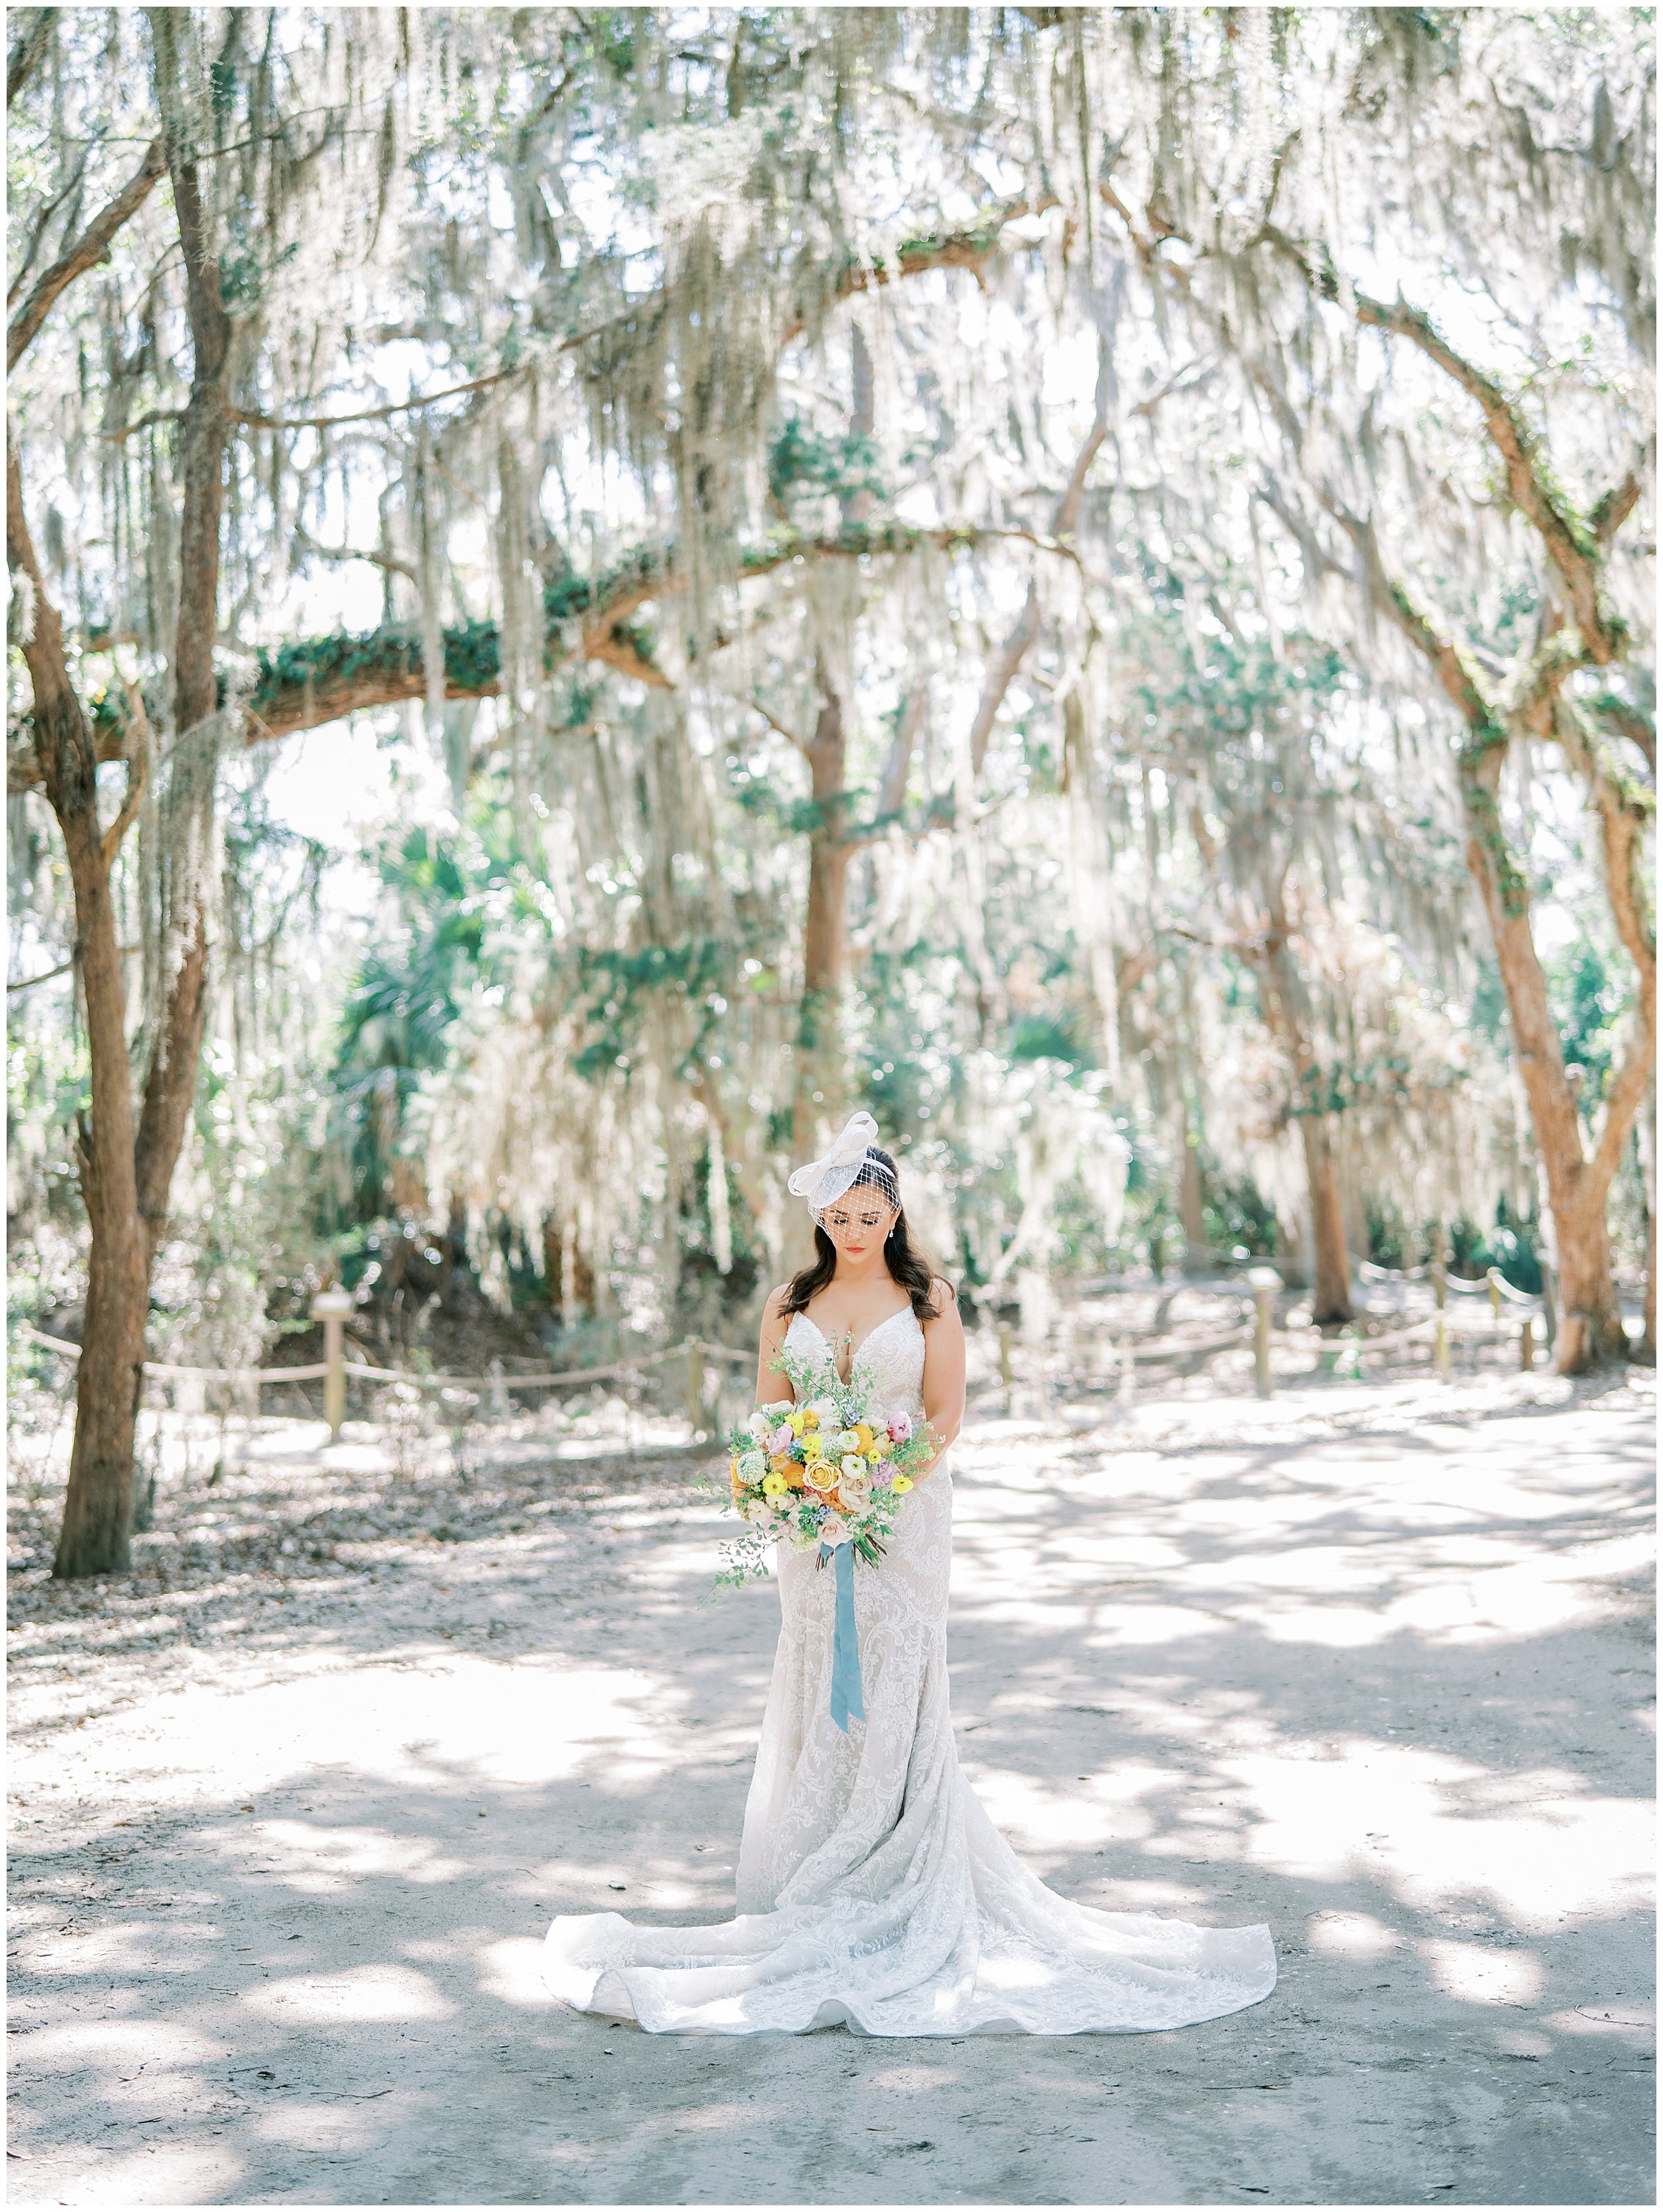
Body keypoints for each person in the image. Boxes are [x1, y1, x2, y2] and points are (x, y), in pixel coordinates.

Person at [543, 1112, 1276, 2035]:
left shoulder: (929, 1296)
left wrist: (875, 1489)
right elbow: (770, 1413)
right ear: (823, 1218)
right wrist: (799, 1480)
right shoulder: (787, 1302)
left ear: (894, 1214)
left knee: (896, 1672)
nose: (855, 1230)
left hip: (907, 1517)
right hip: (813, 1524)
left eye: (870, 1215)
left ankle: (894, 1856)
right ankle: (822, 1856)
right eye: (840, 1216)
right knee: (817, 1673)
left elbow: (945, 1413)